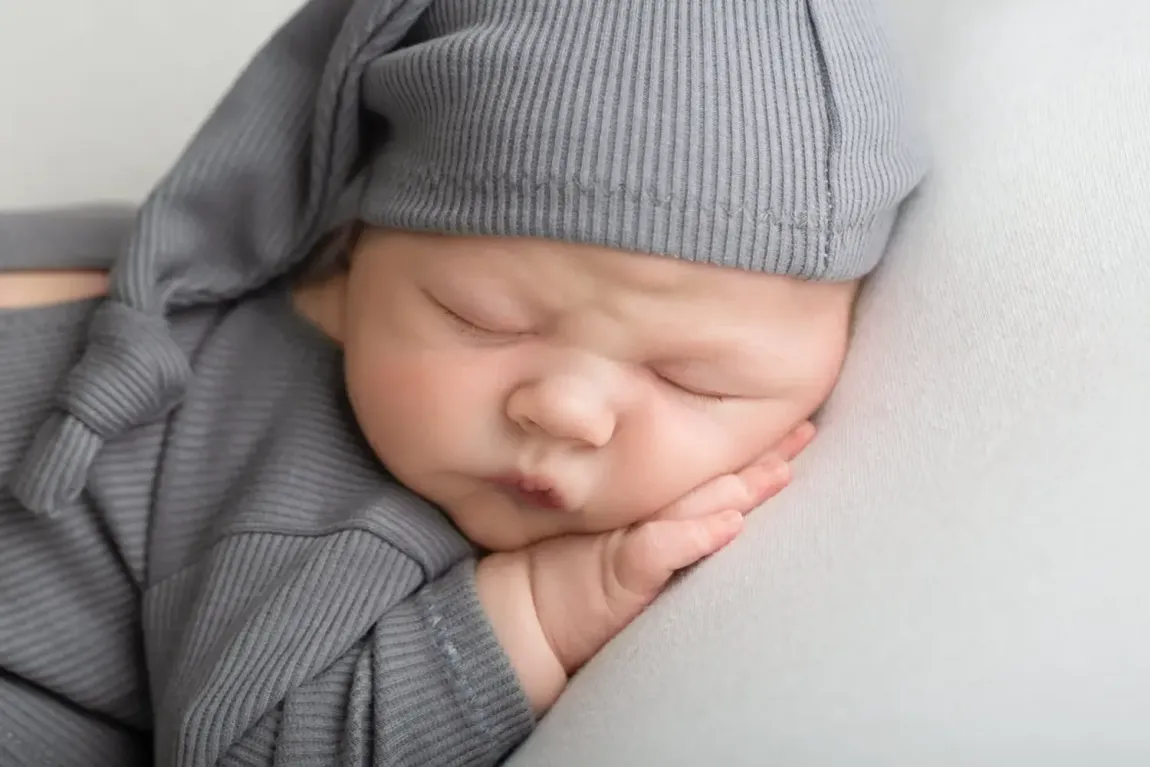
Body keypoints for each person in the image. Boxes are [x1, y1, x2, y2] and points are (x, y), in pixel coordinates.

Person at [0, 0, 926, 764]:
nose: (566, 409)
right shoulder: (327, 516)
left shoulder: (185, 257)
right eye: (484, 319)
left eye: (696, 379)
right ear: (357, 240)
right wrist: (537, 613)